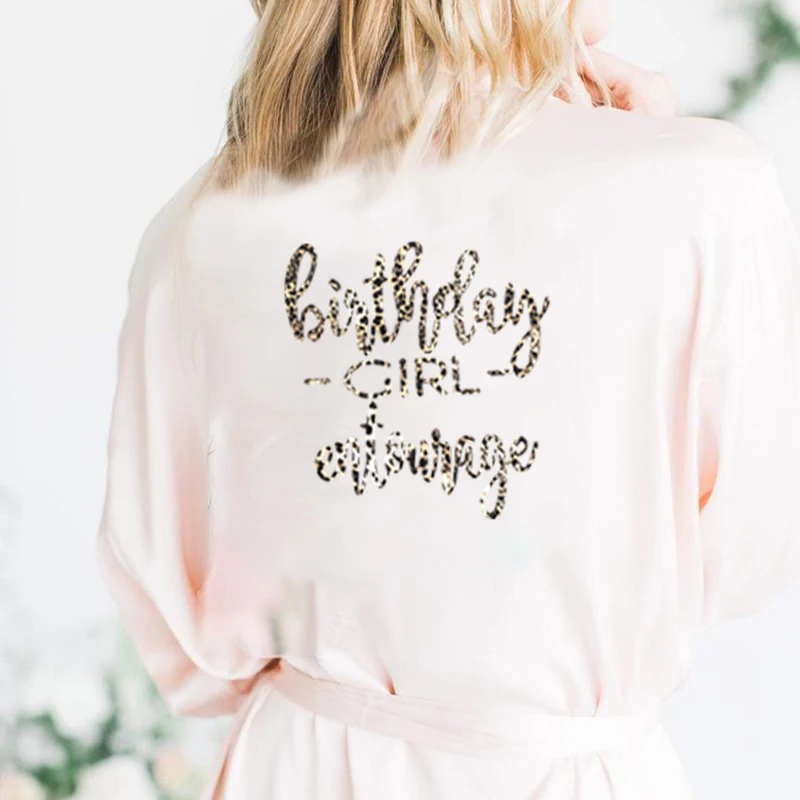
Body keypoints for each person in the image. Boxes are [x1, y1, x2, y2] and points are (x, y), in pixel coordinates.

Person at [95, 0, 800, 798]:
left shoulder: (205, 219)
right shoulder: (705, 192)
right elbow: (751, 546)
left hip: (302, 762)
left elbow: (165, 583)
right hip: (564, 773)